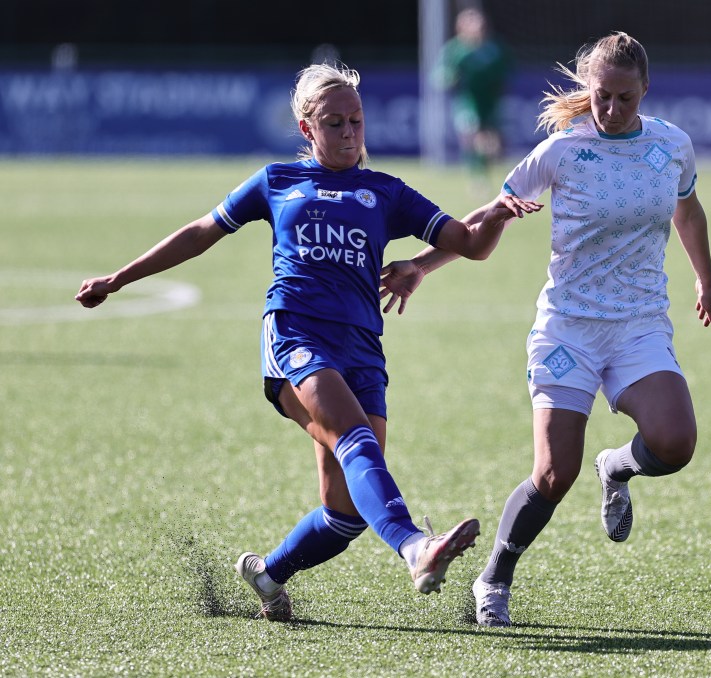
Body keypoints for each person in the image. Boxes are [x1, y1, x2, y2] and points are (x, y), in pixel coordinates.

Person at [74, 62, 541, 622]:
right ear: (306, 127)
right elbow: (200, 233)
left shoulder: (385, 191)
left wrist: (499, 214)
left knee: (343, 513)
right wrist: (119, 278)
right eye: (334, 123)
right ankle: (417, 547)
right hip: (295, 332)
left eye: (357, 121)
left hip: (363, 348)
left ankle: (268, 575)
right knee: (357, 441)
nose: (349, 133)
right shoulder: (277, 182)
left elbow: (469, 243)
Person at [380, 32, 711, 627]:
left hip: (639, 325)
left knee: (676, 444)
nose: (611, 109)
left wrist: (705, 281)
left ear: (645, 89)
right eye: (601, 96)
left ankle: (617, 467)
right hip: (568, 329)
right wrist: (420, 266)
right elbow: (485, 218)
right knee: (553, 474)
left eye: (624, 98)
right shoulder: (563, 151)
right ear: (588, 91)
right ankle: (496, 576)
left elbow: (687, 209)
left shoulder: (672, 146)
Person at [433, 7, 512, 191]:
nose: (479, 29)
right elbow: (440, 75)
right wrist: (447, 77)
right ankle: (478, 179)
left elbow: (507, 69)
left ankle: (486, 169)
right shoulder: (455, 50)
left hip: (490, 102)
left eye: (481, 25)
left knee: (493, 145)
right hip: (467, 101)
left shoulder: (495, 48)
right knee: (474, 135)